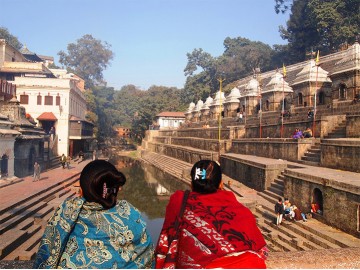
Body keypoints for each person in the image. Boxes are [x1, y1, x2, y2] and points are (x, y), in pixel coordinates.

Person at [33, 160, 155, 269]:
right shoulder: (130, 214)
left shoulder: (67, 211)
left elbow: (47, 253)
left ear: (82, 189)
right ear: (113, 190)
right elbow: (147, 256)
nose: (120, 190)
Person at [155, 160, 268, 269]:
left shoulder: (179, 202)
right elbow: (261, 251)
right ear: (221, 184)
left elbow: (165, 241)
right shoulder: (242, 211)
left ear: (191, 184)